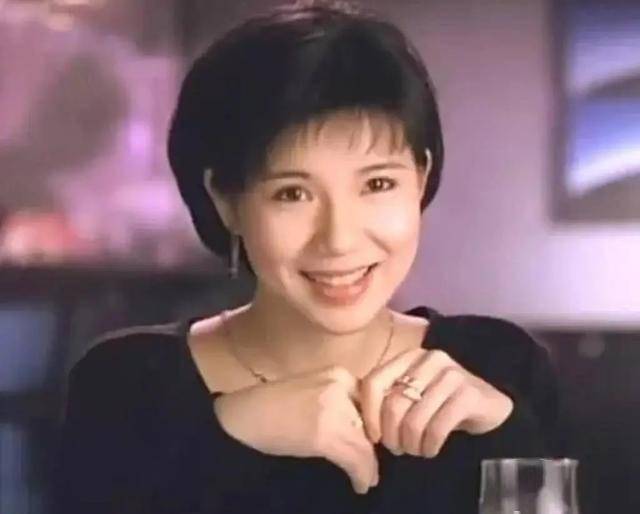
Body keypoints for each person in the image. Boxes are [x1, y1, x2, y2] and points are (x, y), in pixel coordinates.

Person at [51, 1, 565, 513]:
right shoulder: (127, 385)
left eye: (378, 184)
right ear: (225, 201)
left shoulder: (500, 368)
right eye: (292, 193)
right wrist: (220, 434)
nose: (338, 239)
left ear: (421, 178)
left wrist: (511, 441)